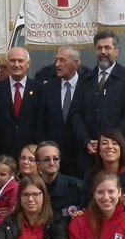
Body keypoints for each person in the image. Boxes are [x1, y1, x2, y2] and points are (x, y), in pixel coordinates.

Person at [79, 31, 125, 160]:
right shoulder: (85, 79)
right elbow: (76, 112)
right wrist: (86, 140)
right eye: (99, 48)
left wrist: (109, 142)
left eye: (107, 48)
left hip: (117, 150)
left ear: (116, 51)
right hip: (89, 151)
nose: (103, 52)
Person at [35, 47, 90, 176]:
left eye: (62, 60)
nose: (57, 64)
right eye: (56, 60)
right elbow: (42, 123)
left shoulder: (88, 86)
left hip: (80, 154)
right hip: (54, 157)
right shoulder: (48, 88)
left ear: (76, 63)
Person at [0, 47, 40, 160]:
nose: (16, 64)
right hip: (3, 154)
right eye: (12, 60)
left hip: (31, 154)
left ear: (28, 63)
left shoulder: (39, 89)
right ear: (7, 63)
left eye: (20, 61)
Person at [35, 142, 85, 220]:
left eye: (55, 159)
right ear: (37, 165)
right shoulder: (33, 188)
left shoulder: (76, 186)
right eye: (46, 159)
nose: (52, 163)